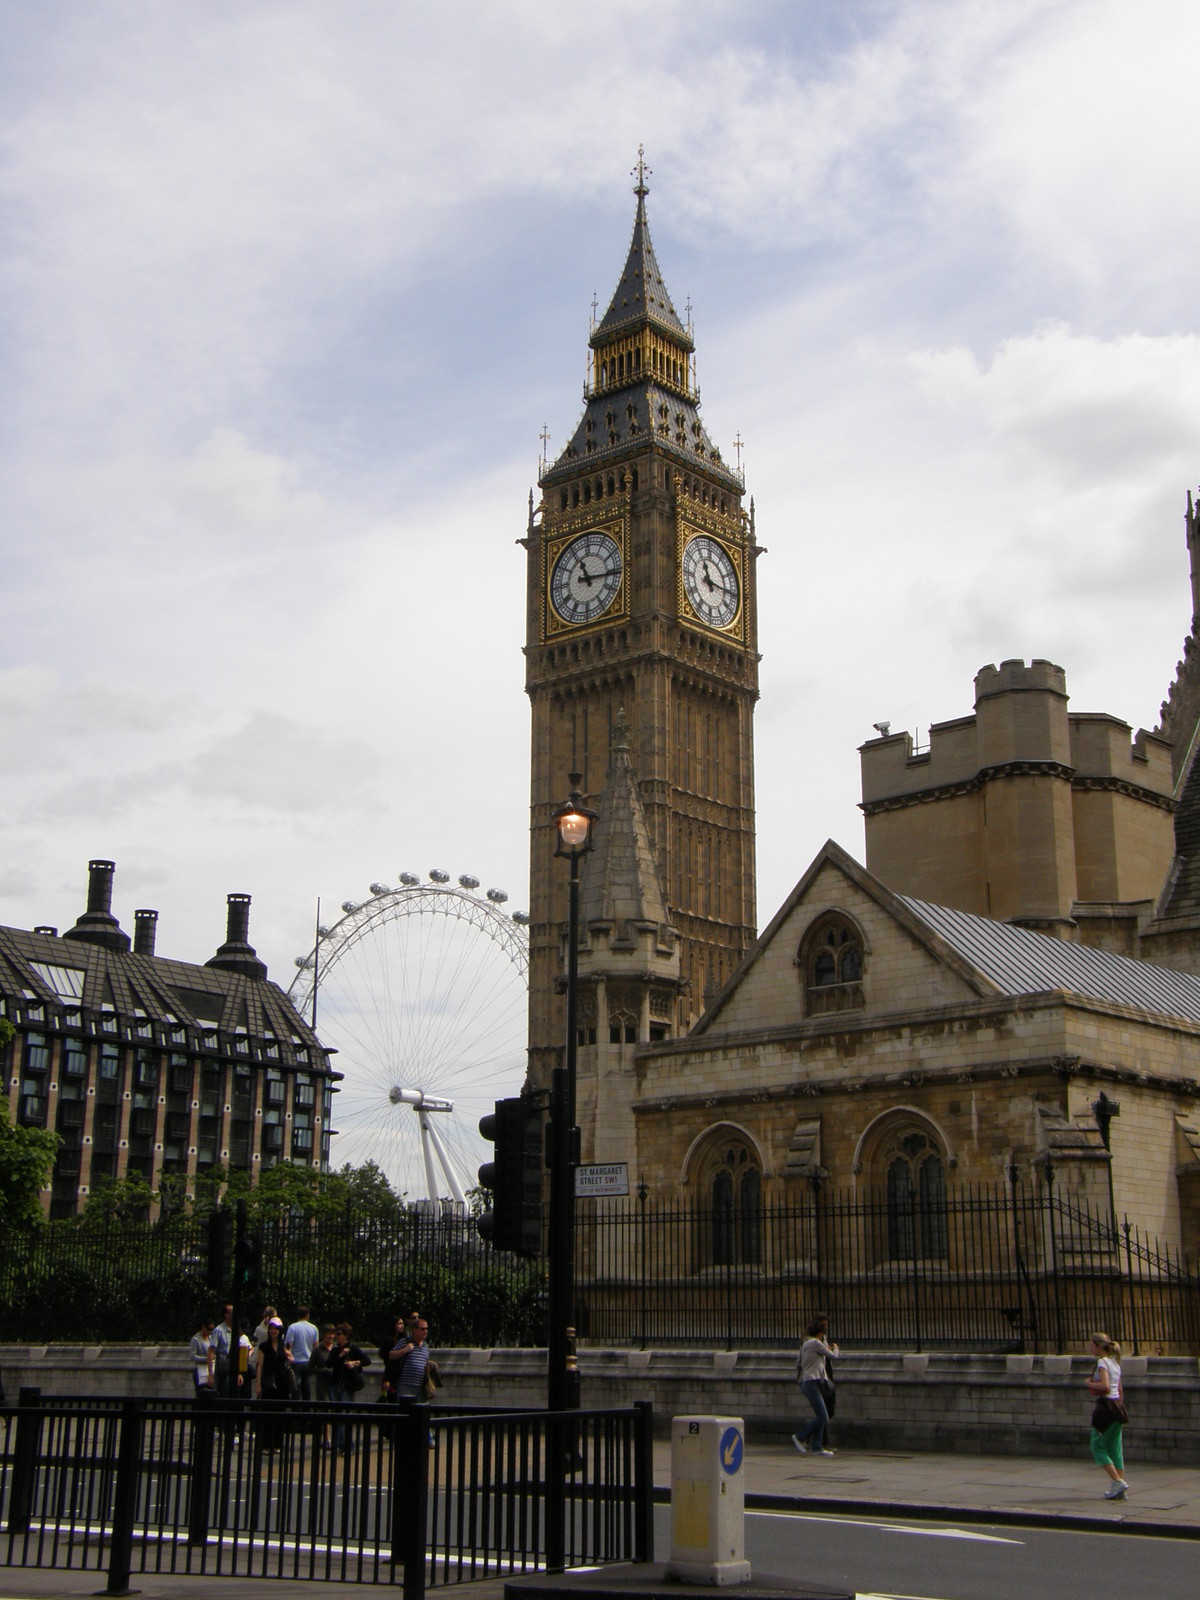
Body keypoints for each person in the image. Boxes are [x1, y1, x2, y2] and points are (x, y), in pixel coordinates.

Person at [1086, 1331, 1129, 1499]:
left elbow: (1104, 1387)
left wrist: (1089, 1383)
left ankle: (1118, 1482)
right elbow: (1119, 1390)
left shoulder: (1102, 1362)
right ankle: (1118, 1488)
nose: (1090, 1348)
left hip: (1105, 1408)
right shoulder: (1115, 1362)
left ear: (1099, 1346)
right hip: (1117, 1407)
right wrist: (1120, 1406)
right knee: (1115, 1448)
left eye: (1092, 1345)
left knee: (1096, 1446)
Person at [792, 1313, 838, 1456]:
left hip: (811, 1381)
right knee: (823, 1415)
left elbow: (797, 1363)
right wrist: (836, 1348)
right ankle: (800, 1436)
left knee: (822, 1414)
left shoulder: (805, 1343)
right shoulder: (816, 1343)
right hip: (812, 1382)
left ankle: (817, 1446)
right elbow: (833, 1356)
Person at [328, 1323, 371, 1452]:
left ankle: (347, 1445)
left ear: (346, 1336)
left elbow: (367, 1360)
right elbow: (329, 1363)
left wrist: (355, 1362)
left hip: (347, 1385)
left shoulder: (353, 1348)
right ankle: (338, 1444)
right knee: (336, 1415)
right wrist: (340, 1355)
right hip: (335, 1383)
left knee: (345, 1415)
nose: (337, 1336)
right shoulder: (336, 1350)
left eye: (339, 1334)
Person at [254, 1315, 294, 1452]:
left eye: (275, 1329)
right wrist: (258, 1384)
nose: (273, 1331)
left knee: (280, 1413)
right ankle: (266, 1444)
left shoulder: (284, 1345)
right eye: (271, 1329)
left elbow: (289, 1359)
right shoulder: (264, 1346)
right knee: (267, 1412)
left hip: (281, 1382)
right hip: (268, 1382)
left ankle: (277, 1444)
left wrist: (289, 1357)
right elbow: (260, 1365)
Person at [285, 1304, 319, 1400]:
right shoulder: (314, 1328)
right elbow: (315, 1347)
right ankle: (306, 1408)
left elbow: (288, 1346)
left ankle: (297, 1408)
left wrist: (289, 1357)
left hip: (296, 1361)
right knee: (306, 1386)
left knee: (296, 1387)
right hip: (309, 1361)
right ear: (307, 1315)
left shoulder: (292, 1327)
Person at [190, 1315, 216, 1396]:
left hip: (211, 1368)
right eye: (209, 1329)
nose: (210, 1331)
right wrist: (206, 1359)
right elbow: (193, 1356)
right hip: (200, 1369)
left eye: (212, 1329)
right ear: (203, 1327)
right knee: (202, 1392)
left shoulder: (211, 1338)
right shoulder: (196, 1339)